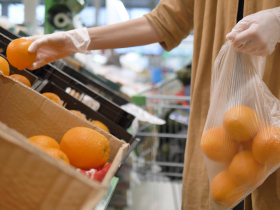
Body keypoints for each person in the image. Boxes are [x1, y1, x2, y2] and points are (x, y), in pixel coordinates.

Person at [25, 1, 280, 209]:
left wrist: (277, 19)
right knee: (215, 196)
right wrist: (75, 40)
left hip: (273, 138)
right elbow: (163, 21)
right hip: (215, 143)